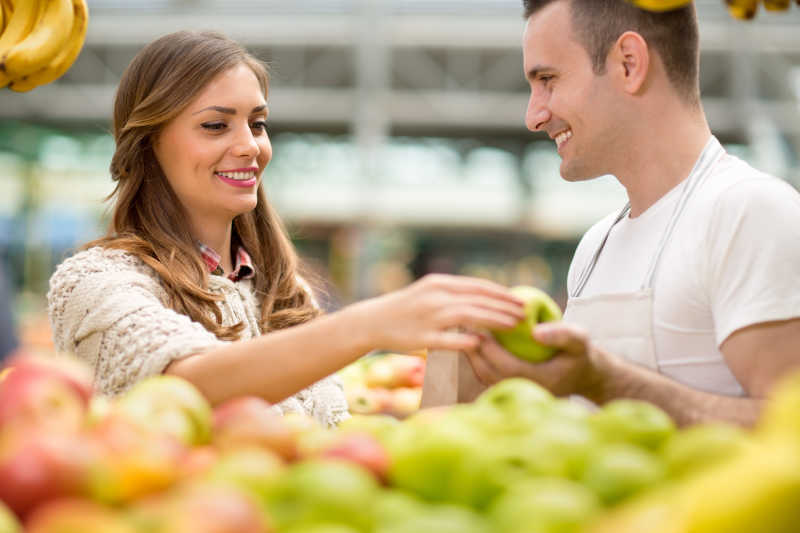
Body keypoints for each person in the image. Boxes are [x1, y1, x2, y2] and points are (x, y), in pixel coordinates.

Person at [47, 30, 524, 427]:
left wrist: (459, 357)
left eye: (256, 124)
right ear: (148, 143)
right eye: (216, 126)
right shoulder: (94, 282)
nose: (249, 147)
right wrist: (368, 323)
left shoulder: (285, 293)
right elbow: (182, 385)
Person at [463, 0, 800, 427]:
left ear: (628, 63)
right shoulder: (596, 245)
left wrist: (608, 383)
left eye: (548, 79)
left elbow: (791, 434)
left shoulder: (751, 211)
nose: (534, 116)